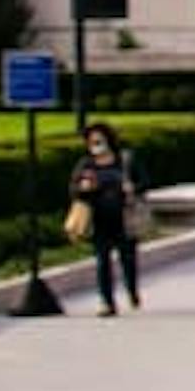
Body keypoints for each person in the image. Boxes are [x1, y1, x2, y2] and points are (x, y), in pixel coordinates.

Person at [69, 120, 147, 315]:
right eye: (92, 142)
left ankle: (132, 290)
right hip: (99, 219)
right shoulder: (86, 164)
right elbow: (74, 189)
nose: (96, 146)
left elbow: (144, 182)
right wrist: (83, 188)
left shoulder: (125, 160)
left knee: (127, 259)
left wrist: (132, 189)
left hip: (124, 217)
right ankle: (107, 302)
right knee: (102, 261)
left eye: (100, 141)